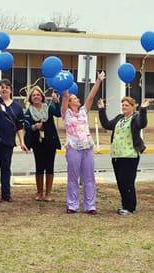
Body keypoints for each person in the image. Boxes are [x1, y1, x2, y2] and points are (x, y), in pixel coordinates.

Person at [61, 71, 105, 215]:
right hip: (73, 148)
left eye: (76, 97)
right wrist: (65, 83)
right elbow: (66, 96)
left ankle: (90, 206)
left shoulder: (83, 111)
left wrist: (98, 80)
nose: (77, 99)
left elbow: (91, 96)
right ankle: (72, 205)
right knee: (72, 178)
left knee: (89, 178)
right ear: (69, 103)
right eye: (74, 98)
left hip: (87, 148)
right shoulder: (66, 113)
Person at [98, 96, 149, 216]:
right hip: (117, 155)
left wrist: (143, 109)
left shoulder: (135, 118)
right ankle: (125, 205)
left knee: (128, 182)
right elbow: (106, 124)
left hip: (130, 155)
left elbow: (142, 123)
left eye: (126, 105)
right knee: (120, 181)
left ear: (133, 107)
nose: (124, 107)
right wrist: (101, 109)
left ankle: (130, 207)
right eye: (123, 105)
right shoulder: (119, 118)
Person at [0, 79, 28, 202]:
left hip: (8, 142)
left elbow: (20, 126)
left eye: (6, 87)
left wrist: (22, 141)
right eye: (2, 87)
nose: (4, 89)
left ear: (10, 90)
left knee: (6, 168)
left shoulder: (17, 107)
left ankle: (6, 194)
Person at [23, 87, 61, 202]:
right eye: (33, 95)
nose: (36, 97)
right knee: (39, 166)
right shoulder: (29, 111)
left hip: (50, 141)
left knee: (50, 166)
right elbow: (26, 126)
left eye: (38, 95)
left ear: (42, 97)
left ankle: (48, 193)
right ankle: (39, 192)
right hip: (37, 142)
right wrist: (34, 127)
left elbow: (59, 113)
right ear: (31, 98)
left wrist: (56, 101)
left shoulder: (49, 107)